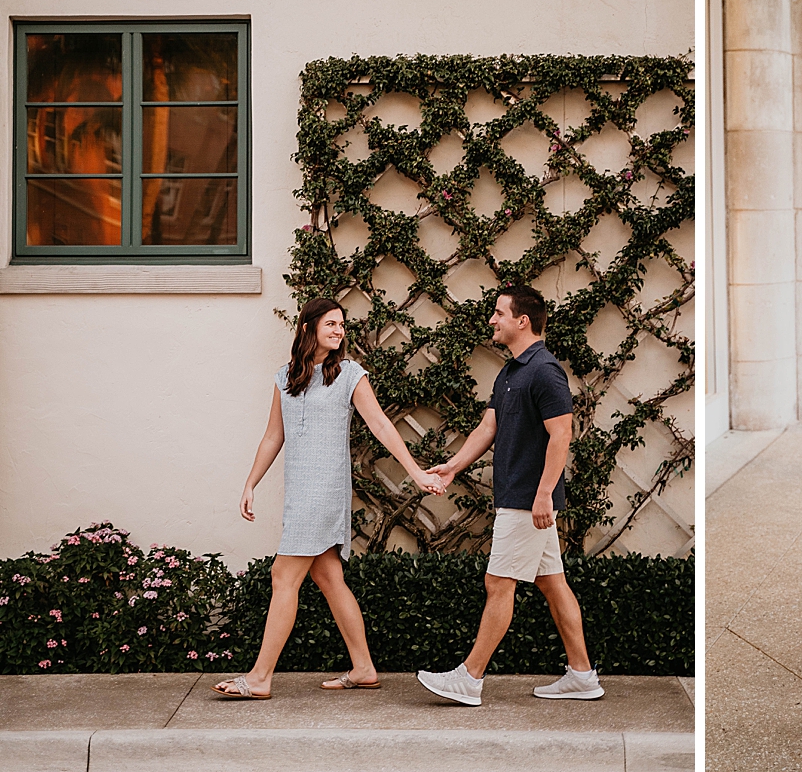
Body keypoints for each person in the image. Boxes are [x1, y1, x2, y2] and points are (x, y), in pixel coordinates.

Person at [212, 297, 445, 700]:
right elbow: (273, 436)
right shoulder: (286, 377)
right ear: (308, 328)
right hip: (299, 493)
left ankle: (259, 678)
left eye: (341, 324)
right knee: (328, 576)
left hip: (324, 492)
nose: (339, 330)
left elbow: (380, 425)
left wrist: (416, 472)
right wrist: (251, 483)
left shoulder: (350, 374)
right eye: (331, 323)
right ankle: (364, 667)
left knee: (283, 576)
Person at [415, 284, 602, 706]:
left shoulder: (545, 371)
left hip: (526, 500)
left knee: (498, 582)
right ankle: (582, 675)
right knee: (554, 585)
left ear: (522, 320)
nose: (492, 320)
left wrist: (543, 495)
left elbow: (562, 435)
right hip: (520, 497)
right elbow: (487, 428)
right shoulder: (511, 371)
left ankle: (469, 678)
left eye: (499, 313)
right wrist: (453, 465)